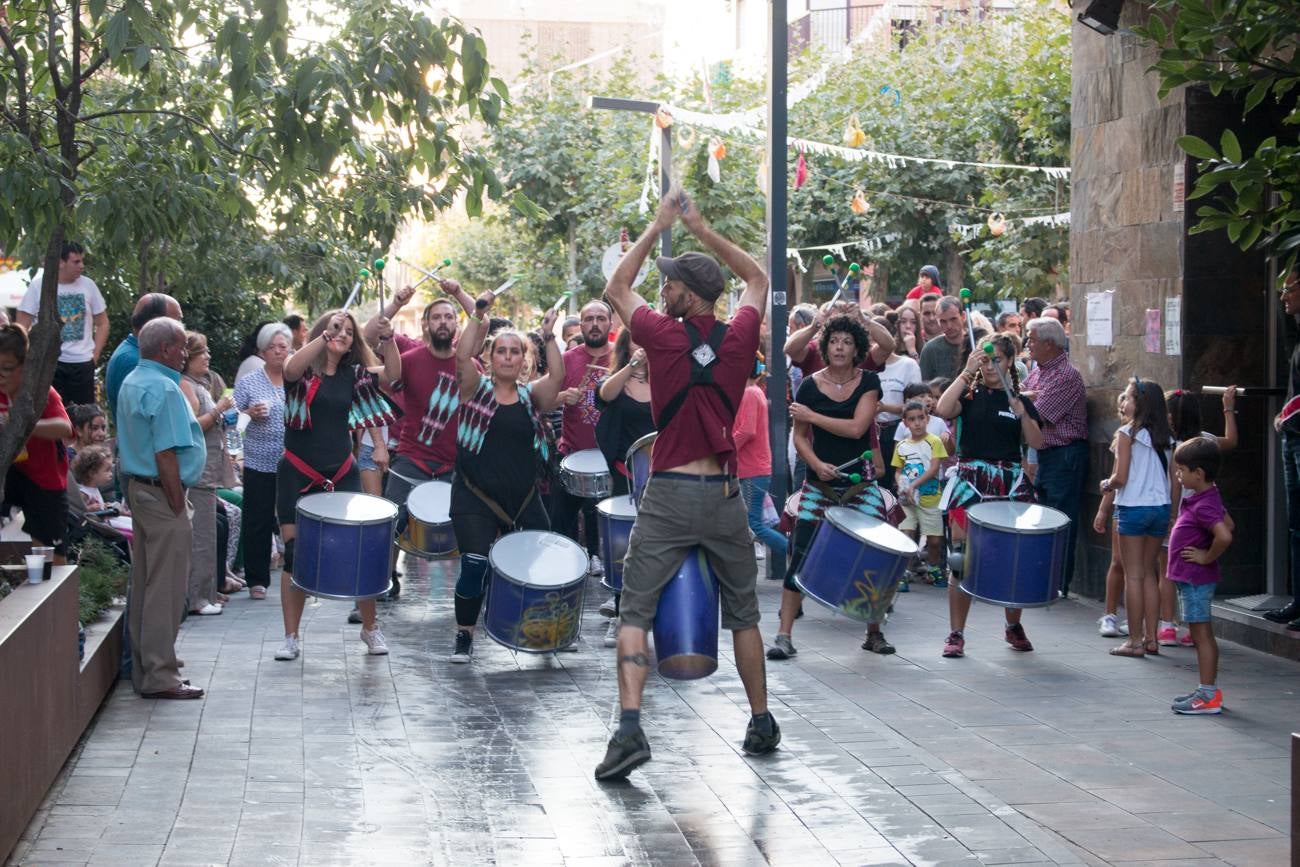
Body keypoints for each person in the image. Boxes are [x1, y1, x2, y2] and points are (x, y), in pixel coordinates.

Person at [597, 189, 779, 781]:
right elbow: (755, 276)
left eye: (672, 283)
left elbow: (615, 290)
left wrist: (659, 226)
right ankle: (761, 720)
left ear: (688, 295)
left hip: (671, 491)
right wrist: (699, 229)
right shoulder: (740, 335)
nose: (663, 287)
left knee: (635, 608)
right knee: (745, 615)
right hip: (726, 495)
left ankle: (629, 730)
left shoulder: (662, 335)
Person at [273, 311, 399, 661]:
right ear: (322, 333)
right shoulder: (301, 373)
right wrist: (322, 337)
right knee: (294, 556)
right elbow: (290, 369)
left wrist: (388, 340)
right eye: (335, 329)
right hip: (297, 474)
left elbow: (392, 374)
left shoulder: (356, 375)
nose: (342, 334)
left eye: (347, 330)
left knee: (359, 550)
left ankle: (370, 628)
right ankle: (291, 637)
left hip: (342, 473)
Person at [769, 315, 896, 661]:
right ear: (825, 347)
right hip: (819, 485)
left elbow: (857, 429)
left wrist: (813, 417)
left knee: (875, 558)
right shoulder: (809, 385)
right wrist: (815, 464)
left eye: (847, 342)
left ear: (857, 349)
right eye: (834, 341)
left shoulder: (869, 381)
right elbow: (798, 436)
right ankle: (784, 635)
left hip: (861, 485)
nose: (839, 347)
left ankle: (874, 632)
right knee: (800, 554)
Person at [447, 295, 564, 663]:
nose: (509, 356)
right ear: (491, 358)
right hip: (474, 496)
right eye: (502, 351)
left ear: (524, 360)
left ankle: (541, 631)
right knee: (475, 565)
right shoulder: (473, 390)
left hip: (524, 498)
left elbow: (559, 377)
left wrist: (549, 337)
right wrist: (478, 315)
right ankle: (464, 634)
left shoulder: (532, 398)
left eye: (516, 351)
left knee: (542, 564)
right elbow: (461, 357)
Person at [934, 332, 1043, 658]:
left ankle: (1013, 625)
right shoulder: (969, 395)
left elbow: (1037, 443)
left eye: (996, 359)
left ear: (1010, 361)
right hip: (970, 478)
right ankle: (956, 633)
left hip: (1009, 480)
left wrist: (1022, 413)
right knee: (960, 559)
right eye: (985, 358)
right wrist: (967, 371)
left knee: (1013, 558)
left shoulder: (1022, 401)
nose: (991, 365)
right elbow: (942, 408)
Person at [115, 317, 207, 699]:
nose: (186, 353)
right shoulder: (163, 388)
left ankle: (147, 663)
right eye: (182, 346)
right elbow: (166, 453)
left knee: (148, 581)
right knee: (165, 588)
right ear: (166, 348)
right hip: (160, 491)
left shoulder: (132, 380)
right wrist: (175, 502)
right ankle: (159, 674)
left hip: (141, 489)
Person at [1158, 387, 1238, 644]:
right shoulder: (1205, 440)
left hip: (1186, 515)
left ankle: (1168, 624)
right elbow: (1232, 440)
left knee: (1169, 571)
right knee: (1192, 572)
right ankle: (1193, 625)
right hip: (1207, 512)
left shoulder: (1173, 445)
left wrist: (1171, 516)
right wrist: (1227, 407)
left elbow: (1174, 485)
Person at [1101, 378, 1173, 658]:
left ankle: (1134, 642)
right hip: (1160, 508)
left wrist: (1106, 484)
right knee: (1149, 573)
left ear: (1140, 403)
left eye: (1129, 398)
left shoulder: (1126, 433)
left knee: (1133, 575)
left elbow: (1121, 477)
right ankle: (1151, 638)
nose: (1125, 402)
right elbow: (1174, 482)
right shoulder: (1168, 437)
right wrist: (1174, 511)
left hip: (1133, 507)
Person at [594, 329, 655, 645]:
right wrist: (630, 367)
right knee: (622, 546)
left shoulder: (664, 379)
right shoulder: (620, 378)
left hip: (659, 479)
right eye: (636, 339)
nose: (642, 346)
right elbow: (603, 395)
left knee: (656, 546)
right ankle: (619, 615)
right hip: (624, 475)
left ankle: (651, 614)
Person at [1022, 317, 1089, 597]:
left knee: (1060, 519)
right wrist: (1028, 397)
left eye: (1032, 338)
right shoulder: (1037, 372)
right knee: (1042, 516)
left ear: (1049, 343)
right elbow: (1018, 397)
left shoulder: (1065, 375)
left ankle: (1059, 583)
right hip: (1044, 454)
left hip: (1065, 455)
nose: (1028, 343)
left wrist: (1027, 399)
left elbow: (1037, 413)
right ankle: (1042, 577)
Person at [1167, 438, 1232, 714]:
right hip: (1192, 578)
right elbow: (1229, 522)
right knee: (1200, 633)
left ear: (1199, 473)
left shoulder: (1204, 503)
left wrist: (1206, 556)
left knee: (1201, 635)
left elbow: (1225, 534)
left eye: (1181, 470)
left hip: (1196, 579)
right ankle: (1206, 690)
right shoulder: (1206, 498)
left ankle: (1208, 695)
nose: (1178, 476)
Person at [552, 300, 615, 578]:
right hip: (572, 454)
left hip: (609, 457)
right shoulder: (568, 360)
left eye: (601, 318)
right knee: (562, 521)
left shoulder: (621, 357)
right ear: (582, 325)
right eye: (589, 319)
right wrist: (562, 397)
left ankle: (598, 558)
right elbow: (542, 399)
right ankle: (566, 566)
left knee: (599, 515)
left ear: (610, 324)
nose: (595, 324)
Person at [0, 324, 74, 559]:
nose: (1, 376)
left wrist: (23, 426)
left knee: (51, 552)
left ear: (25, 367)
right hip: (8, 472)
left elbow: (65, 428)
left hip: (43, 477)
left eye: (7, 369)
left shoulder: (41, 392)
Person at [179, 331, 236, 616]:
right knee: (200, 535)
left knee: (207, 532)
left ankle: (208, 591)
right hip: (199, 473)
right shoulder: (186, 385)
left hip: (209, 470)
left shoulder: (200, 384)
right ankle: (196, 598)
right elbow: (192, 426)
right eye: (202, 352)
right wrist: (219, 410)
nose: (208, 357)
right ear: (187, 357)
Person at [232, 323, 290, 601]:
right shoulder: (249, 382)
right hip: (258, 460)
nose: (278, 352)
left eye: (283, 346)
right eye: (273, 347)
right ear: (263, 351)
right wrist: (249, 413)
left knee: (293, 516)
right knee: (258, 518)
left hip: (292, 460)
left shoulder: (298, 378)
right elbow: (235, 424)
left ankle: (298, 569)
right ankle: (257, 579)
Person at [16, 242, 107, 406]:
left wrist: (95, 355)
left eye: (82, 261)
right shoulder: (39, 286)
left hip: (82, 364)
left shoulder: (89, 286)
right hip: (50, 363)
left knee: (83, 417)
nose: (82, 266)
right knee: (50, 411)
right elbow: (22, 326)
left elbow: (103, 323)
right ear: (60, 262)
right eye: (76, 262)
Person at [734, 353, 787, 575]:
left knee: (754, 524)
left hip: (751, 470)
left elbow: (746, 430)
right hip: (755, 469)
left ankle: (798, 556)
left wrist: (725, 449)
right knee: (753, 523)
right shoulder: (755, 392)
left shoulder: (749, 393)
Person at [1269, 269, 1300, 629]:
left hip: (1296, 433)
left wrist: (1287, 413)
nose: (1283, 296)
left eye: (1288, 289)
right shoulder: (1296, 340)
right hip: (1293, 435)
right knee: (1296, 525)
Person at [894, 399, 949, 587]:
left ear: (927, 419)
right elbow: (898, 470)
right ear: (905, 423)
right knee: (906, 535)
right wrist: (902, 485)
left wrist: (914, 485)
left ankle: (933, 568)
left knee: (934, 540)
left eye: (921, 418)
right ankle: (904, 572)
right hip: (907, 501)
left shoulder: (934, 442)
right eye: (912, 419)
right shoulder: (901, 445)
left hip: (930, 499)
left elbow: (934, 469)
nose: (917, 423)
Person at [105, 293, 183, 417]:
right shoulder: (133, 361)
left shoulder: (139, 354)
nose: (182, 329)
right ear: (155, 322)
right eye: (177, 321)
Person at [875, 317, 923, 488]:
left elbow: (918, 405)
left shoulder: (907, 365)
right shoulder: (863, 366)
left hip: (899, 429)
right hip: (872, 432)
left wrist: (885, 408)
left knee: (899, 480)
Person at [919, 296, 970, 381]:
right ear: (937, 320)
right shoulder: (930, 350)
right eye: (943, 321)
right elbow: (925, 387)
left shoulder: (975, 342)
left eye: (953, 319)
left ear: (963, 316)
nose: (949, 326)